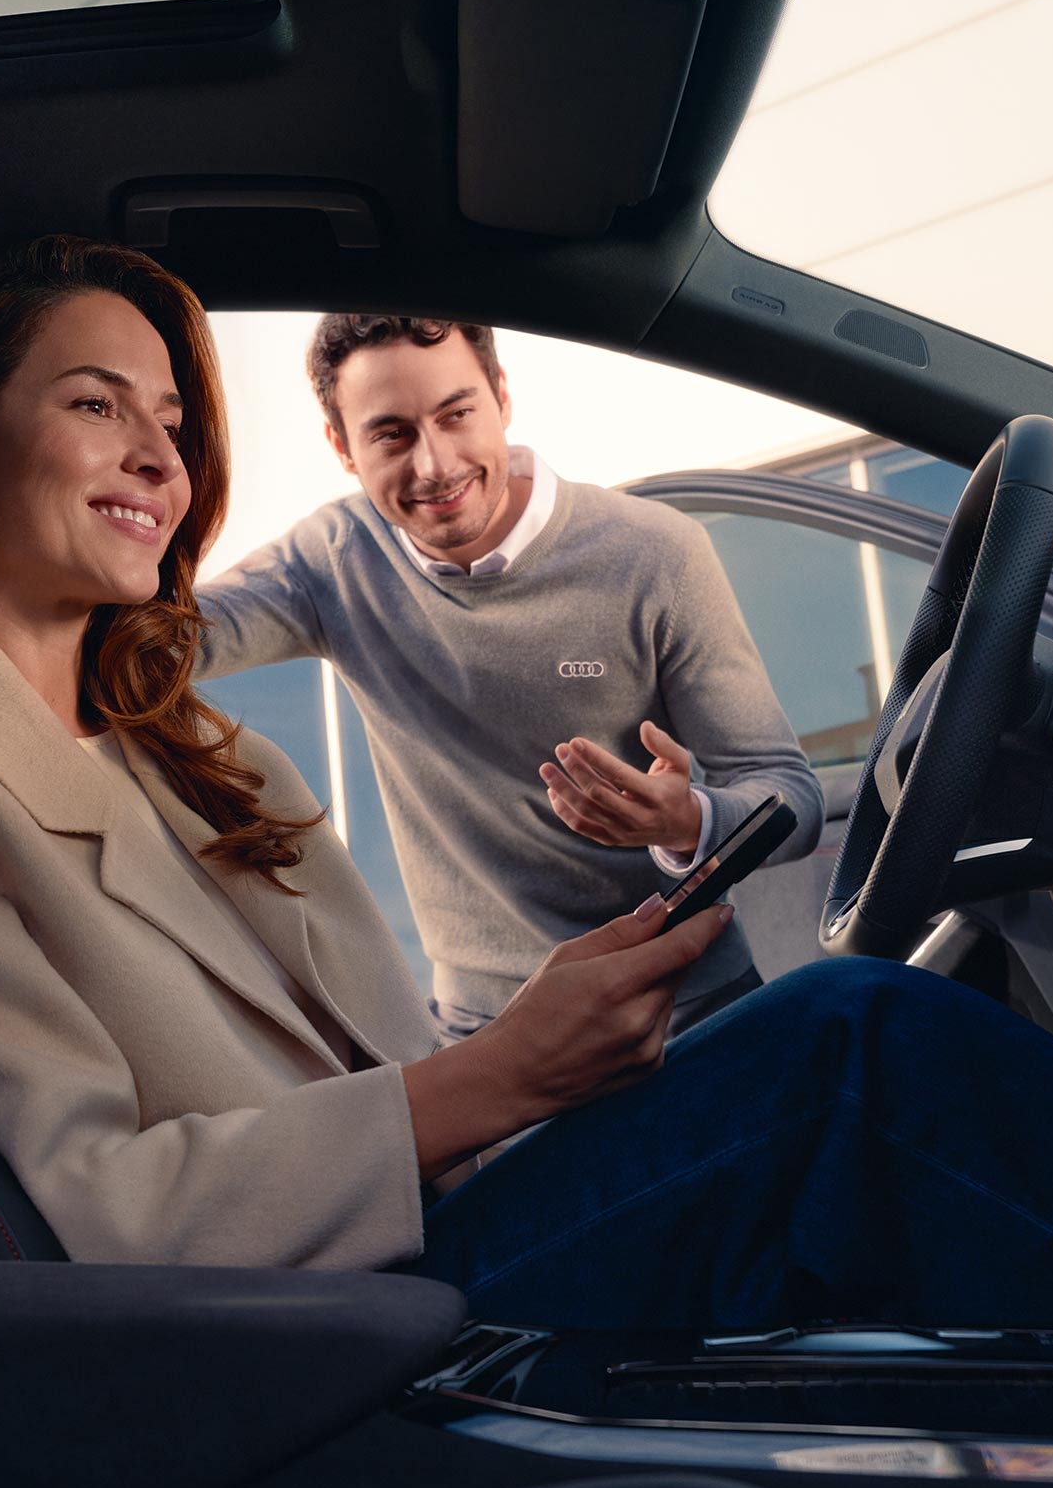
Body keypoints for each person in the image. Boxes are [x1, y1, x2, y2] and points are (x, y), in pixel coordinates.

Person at [0, 237, 1053, 1335]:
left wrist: (596, 966)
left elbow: (762, 786)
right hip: (332, 1339)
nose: (162, 457)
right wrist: (499, 1078)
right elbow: (86, 1221)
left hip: (468, 1179)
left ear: (504, 404)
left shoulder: (195, 757)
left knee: (857, 1063)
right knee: (857, 1045)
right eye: (98, 404)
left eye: (171, 418)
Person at [196, 315, 822, 1048]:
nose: (435, 464)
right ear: (341, 446)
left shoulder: (657, 554)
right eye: (392, 434)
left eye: (456, 414)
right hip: (484, 1032)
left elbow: (794, 798)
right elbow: (163, 641)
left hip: (686, 1008)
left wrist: (687, 823)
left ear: (500, 395)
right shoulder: (332, 560)